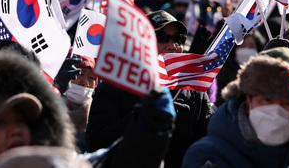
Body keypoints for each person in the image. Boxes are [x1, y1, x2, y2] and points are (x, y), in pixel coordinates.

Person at [0, 50, 176, 168]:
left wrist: (150, 128)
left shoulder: (57, 164)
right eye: (0, 122)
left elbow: (118, 161)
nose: (15, 130)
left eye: (20, 120)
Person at [86, 10, 213, 168]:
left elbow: (209, 143)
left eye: (178, 39)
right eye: (163, 37)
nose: (173, 46)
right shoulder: (114, 86)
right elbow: (97, 141)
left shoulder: (193, 90)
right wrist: (144, 114)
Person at [182, 52, 289, 168]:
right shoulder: (207, 154)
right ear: (247, 99)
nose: (276, 110)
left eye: (287, 102)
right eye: (267, 99)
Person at [63, 54, 98, 152]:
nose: (85, 82)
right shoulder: (48, 107)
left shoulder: (97, 117)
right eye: (80, 74)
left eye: (91, 78)